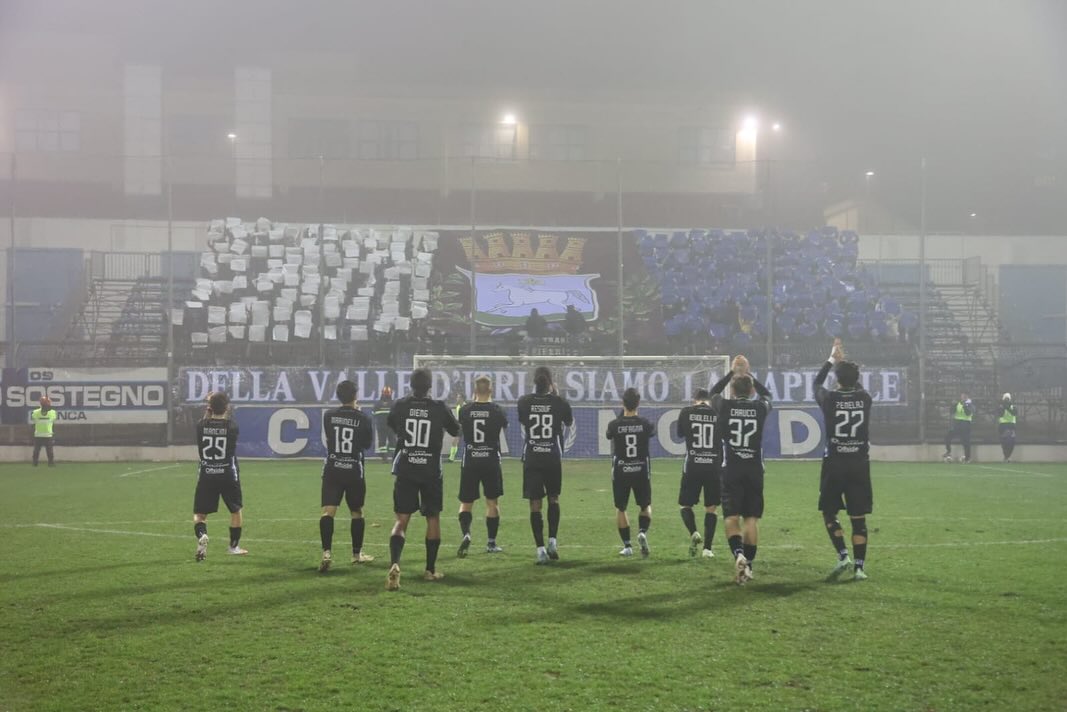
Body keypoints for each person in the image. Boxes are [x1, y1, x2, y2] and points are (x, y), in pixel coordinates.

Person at [385, 368, 460, 590]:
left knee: (401, 520)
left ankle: (395, 564)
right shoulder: (438, 407)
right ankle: (430, 570)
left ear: (411, 385)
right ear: (429, 387)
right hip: (430, 470)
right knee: (433, 518)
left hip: (407, 466)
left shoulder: (401, 405)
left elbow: (391, 423)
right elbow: (456, 429)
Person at [814, 339, 874, 582]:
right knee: (858, 517)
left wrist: (832, 360)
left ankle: (843, 555)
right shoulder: (865, 398)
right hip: (859, 464)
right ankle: (860, 568)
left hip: (835, 464)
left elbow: (817, 383)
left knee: (829, 512)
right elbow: (855, 385)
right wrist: (845, 368)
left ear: (837, 380)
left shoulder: (829, 399)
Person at [710, 355, 772, 585]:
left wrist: (732, 373)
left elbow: (713, 393)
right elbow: (769, 396)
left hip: (731, 469)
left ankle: (738, 555)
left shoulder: (725, 405)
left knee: (730, 517)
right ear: (752, 390)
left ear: (733, 391)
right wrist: (749, 374)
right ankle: (750, 567)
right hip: (754, 470)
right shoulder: (759, 407)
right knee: (751, 519)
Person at [517, 366, 574, 564]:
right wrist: (556, 395)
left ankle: (540, 549)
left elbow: (523, 420)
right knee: (553, 498)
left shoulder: (524, 402)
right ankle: (553, 541)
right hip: (552, 456)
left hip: (532, 456)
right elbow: (568, 421)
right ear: (550, 382)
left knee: (534, 504)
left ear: (534, 382)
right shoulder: (559, 402)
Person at [318, 379, 375, 573]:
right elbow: (367, 444)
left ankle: (326, 552)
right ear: (356, 395)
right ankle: (356, 554)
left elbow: (329, 437)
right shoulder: (363, 418)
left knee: (328, 511)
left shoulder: (329, 415)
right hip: (353, 470)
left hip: (333, 468)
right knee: (356, 512)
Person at [456, 376, 509, 556]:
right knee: (492, 502)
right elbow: (504, 425)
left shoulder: (464, 410)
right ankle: (491, 543)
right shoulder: (498, 410)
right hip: (491, 460)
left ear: (474, 390)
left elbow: (460, 428)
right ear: (491, 390)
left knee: (466, 502)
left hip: (470, 459)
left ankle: (466, 534)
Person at [193, 391, 247, 561]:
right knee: (236, 510)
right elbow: (225, 420)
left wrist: (209, 408)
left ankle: (202, 535)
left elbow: (205, 421)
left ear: (209, 407)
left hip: (207, 473)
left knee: (200, 514)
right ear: (227, 407)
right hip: (228, 474)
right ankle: (233, 547)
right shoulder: (232, 427)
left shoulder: (201, 425)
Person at [605, 388, 655, 557]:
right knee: (645, 505)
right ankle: (642, 531)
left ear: (622, 403)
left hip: (621, 471)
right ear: (638, 403)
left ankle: (627, 546)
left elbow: (608, 435)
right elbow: (652, 432)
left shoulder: (614, 424)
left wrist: (623, 414)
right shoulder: (645, 423)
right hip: (640, 469)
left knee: (621, 508)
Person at [675, 388, 721, 558]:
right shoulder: (717, 413)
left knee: (685, 505)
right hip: (713, 466)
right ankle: (707, 549)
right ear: (708, 399)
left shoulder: (686, 412)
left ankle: (694, 532)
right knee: (711, 508)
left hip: (693, 465)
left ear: (695, 399)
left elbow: (680, 434)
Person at [943, 393, 974, 463]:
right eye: (962, 396)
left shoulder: (970, 404)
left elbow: (968, 413)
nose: (963, 398)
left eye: (965, 397)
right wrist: (953, 405)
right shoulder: (958, 404)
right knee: (947, 437)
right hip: (957, 424)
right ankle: (948, 451)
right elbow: (952, 412)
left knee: (966, 441)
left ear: (967, 397)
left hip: (966, 424)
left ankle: (967, 457)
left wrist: (965, 406)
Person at [30, 397, 57, 467]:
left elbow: (33, 418)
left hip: (40, 435)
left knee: (37, 451)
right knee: (49, 451)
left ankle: (35, 463)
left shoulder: (35, 412)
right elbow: (53, 418)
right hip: (47, 435)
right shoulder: (53, 412)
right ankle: (50, 463)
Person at [373, 386, 396, 461]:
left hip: (381, 426)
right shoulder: (393, 404)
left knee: (382, 441)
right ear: (390, 394)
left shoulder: (378, 404)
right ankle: (393, 456)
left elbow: (373, 414)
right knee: (392, 441)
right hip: (391, 426)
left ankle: (384, 457)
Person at [998, 392, 1017, 463]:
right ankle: (1006, 456)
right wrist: (1004, 407)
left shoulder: (1013, 407)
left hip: (1011, 426)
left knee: (1011, 442)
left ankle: (1007, 456)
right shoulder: (1000, 407)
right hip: (1003, 426)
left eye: (1008, 399)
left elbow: (1014, 413)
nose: (1007, 400)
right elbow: (1000, 414)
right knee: (1004, 443)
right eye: (1005, 399)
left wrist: (1008, 407)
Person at [448, 392, 466, 462]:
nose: (457, 398)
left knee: (456, 441)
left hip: (464, 427)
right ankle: (452, 458)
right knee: (455, 441)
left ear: (461, 398)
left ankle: (452, 458)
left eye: (458, 397)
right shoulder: (458, 407)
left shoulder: (465, 407)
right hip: (460, 427)